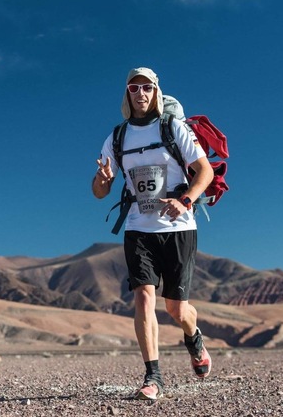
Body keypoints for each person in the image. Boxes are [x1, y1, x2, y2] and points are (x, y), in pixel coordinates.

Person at [92, 67, 214, 401]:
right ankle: (153, 376)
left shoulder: (173, 128)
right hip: (138, 227)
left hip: (178, 228)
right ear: (127, 94)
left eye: (147, 87)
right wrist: (103, 179)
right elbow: (99, 191)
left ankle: (194, 338)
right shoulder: (117, 137)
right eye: (134, 87)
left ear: (156, 92)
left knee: (176, 309)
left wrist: (185, 200)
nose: (141, 93)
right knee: (144, 295)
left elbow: (204, 171)